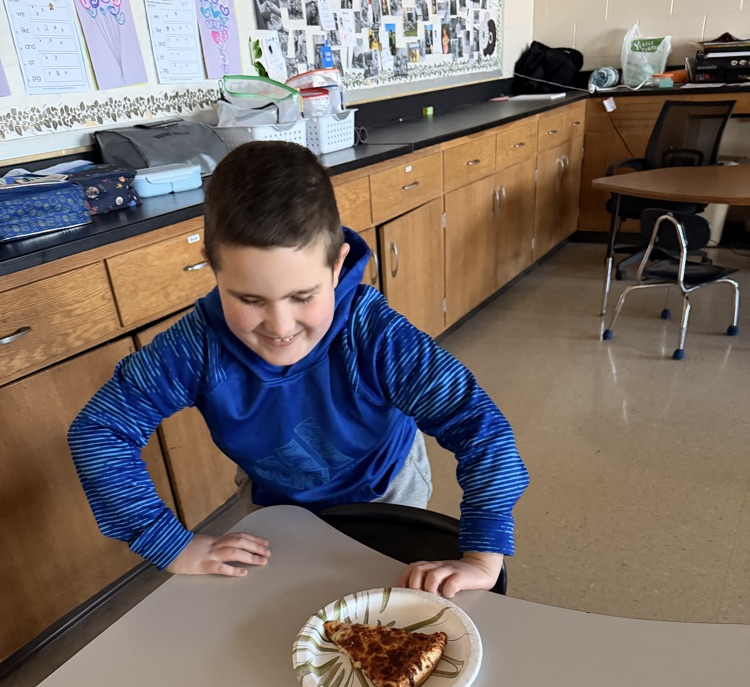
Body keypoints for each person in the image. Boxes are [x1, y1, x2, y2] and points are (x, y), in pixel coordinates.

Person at [68, 142, 528, 599]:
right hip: (273, 500)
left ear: (337, 265)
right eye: (249, 300)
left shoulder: (375, 335)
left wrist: (482, 558)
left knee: (379, 600)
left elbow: (480, 427)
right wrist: (169, 544)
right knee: (286, 605)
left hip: (385, 489)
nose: (281, 328)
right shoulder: (197, 347)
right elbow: (99, 430)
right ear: (212, 267)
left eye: (303, 296)